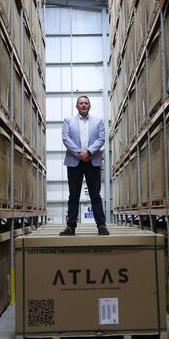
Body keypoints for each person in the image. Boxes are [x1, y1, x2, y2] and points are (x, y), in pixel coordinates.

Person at [60, 95, 109, 236]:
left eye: (86, 103)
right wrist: (79, 153)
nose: (83, 105)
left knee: (95, 195)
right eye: (81, 103)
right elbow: (65, 138)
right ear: (77, 106)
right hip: (74, 161)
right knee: (73, 195)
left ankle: (101, 225)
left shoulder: (98, 121)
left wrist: (88, 152)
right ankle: (70, 227)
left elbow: (101, 138)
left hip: (92, 161)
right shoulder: (68, 120)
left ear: (89, 106)